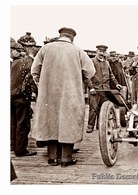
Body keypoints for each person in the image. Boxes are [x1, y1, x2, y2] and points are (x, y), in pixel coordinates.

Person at [31, 27, 96, 167]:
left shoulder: (46, 49)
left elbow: (34, 71)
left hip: (48, 95)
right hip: (70, 94)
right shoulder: (78, 51)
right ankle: (66, 159)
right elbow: (90, 71)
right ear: (72, 38)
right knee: (69, 122)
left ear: (59, 35)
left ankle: (52, 158)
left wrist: (42, 85)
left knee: (50, 122)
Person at [85, 45, 122, 133]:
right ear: (96, 51)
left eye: (103, 52)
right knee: (93, 109)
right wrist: (91, 88)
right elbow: (87, 76)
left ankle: (100, 126)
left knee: (103, 109)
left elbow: (111, 75)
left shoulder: (107, 63)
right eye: (100, 51)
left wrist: (116, 84)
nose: (102, 53)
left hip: (105, 90)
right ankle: (90, 126)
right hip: (95, 90)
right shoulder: (91, 61)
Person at [11, 41, 38, 157]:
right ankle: (21, 150)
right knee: (23, 124)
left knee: (13, 123)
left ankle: (13, 146)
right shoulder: (31, 63)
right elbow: (28, 82)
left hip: (11, 97)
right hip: (22, 98)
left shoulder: (15, 63)